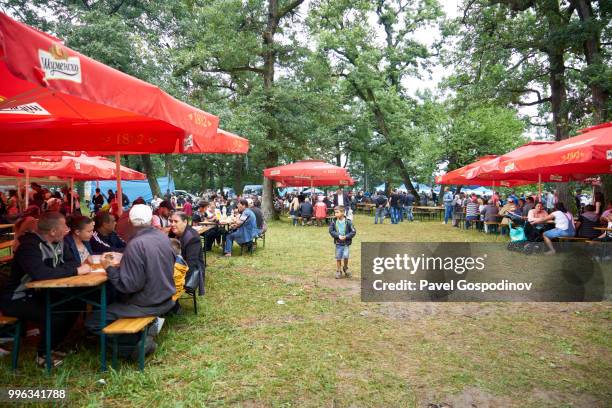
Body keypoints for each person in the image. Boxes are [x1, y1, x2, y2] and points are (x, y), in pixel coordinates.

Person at [0, 212, 91, 367]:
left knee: (75, 304)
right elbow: (41, 273)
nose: (67, 229)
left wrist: (66, 269)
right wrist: (72, 271)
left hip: (42, 293)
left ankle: (54, 345)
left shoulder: (60, 241)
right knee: (54, 312)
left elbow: (75, 263)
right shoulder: (29, 246)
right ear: (53, 231)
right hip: (17, 297)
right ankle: (43, 355)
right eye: (64, 226)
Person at [85, 204, 176, 359]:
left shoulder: (136, 244)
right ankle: (138, 337)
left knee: (93, 321)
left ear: (129, 222)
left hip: (148, 303)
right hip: (165, 296)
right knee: (113, 301)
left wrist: (109, 268)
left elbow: (128, 286)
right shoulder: (162, 237)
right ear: (150, 219)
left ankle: (132, 348)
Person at [169, 212, 205, 296]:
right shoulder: (174, 232)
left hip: (189, 271)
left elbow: (191, 264)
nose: (172, 224)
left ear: (185, 222)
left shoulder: (193, 238)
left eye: (176, 221)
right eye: (171, 221)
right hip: (177, 264)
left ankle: (172, 304)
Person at [329, 206, 356, 279]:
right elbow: (331, 231)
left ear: (343, 213)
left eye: (337, 212)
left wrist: (346, 236)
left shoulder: (349, 222)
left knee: (346, 256)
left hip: (346, 243)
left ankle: (345, 268)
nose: (336, 214)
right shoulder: (333, 222)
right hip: (338, 243)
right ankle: (338, 271)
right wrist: (338, 236)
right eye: (335, 212)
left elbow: (353, 232)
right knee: (338, 257)